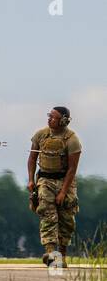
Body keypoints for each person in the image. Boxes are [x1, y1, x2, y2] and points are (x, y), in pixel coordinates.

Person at [28, 106, 82, 266]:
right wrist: (31, 180)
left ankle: (62, 257)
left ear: (63, 121)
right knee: (47, 214)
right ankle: (51, 253)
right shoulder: (41, 135)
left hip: (65, 180)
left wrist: (63, 192)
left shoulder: (72, 139)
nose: (49, 119)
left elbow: (72, 168)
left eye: (53, 117)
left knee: (66, 219)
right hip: (45, 179)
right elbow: (32, 159)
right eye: (49, 116)